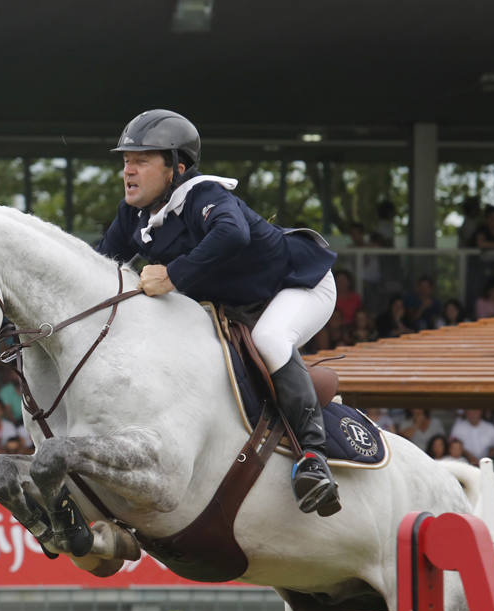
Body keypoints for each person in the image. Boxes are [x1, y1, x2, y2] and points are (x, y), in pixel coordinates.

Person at [95, 110, 339, 515]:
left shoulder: (204, 196)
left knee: (270, 339)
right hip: (242, 302)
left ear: (177, 166)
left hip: (298, 284)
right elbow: (100, 268)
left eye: (141, 161)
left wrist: (172, 275)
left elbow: (232, 233)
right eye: (125, 161)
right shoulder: (133, 217)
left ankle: (313, 458)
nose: (128, 170)